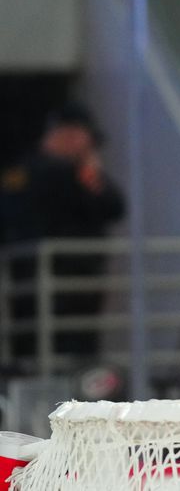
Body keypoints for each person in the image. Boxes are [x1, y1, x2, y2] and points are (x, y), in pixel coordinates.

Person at [0, 103, 125, 362]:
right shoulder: (38, 170)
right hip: (36, 282)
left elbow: (113, 206)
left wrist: (88, 172)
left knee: (78, 351)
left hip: (78, 285)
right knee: (35, 348)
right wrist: (78, 170)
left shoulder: (81, 173)